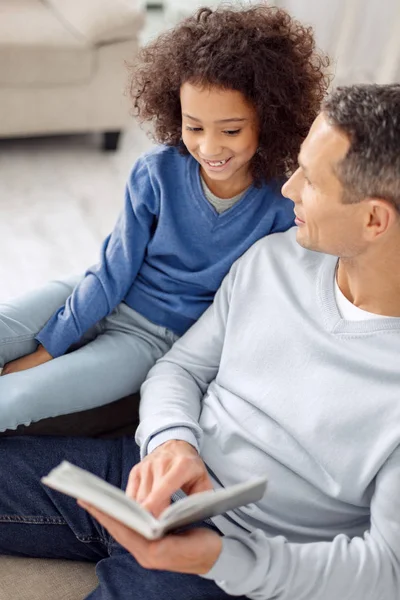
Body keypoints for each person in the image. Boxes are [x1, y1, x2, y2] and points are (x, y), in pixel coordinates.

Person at [1, 82, 400, 600]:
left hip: (243, 556)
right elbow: (178, 368)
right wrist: (171, 443)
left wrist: (222, 559)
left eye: (312, 182)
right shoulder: (275, 259)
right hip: (149, 477)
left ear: (374, 219)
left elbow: (386, 568)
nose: (288, 189)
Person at [0, 4, 328, 432]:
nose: (209, 147)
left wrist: (35, 367)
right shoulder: (156, 170)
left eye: (230, 130)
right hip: (95, 293)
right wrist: (49, 348)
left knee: (14, 399)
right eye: (194, 127)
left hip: (151, 340)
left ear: (269, 120)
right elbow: (112, 270)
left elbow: (256, 309)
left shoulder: (282, 207)